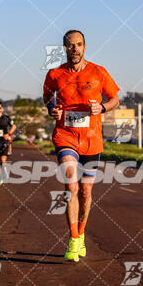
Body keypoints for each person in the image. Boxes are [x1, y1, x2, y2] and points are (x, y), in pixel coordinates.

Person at [43, 29, 120, 262]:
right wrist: (52, 109)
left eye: (78, 44)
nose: (74, 48)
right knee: (72, 186)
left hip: (92, 138)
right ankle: (73, 239)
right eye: (70, 45)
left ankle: (82, 232)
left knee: (86, 191)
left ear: (84, 47)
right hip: (65, 136)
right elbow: (48, 97)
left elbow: (115, 98)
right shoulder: (55, 74)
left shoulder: (99, 72)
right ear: (64, 47)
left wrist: (103, 108)